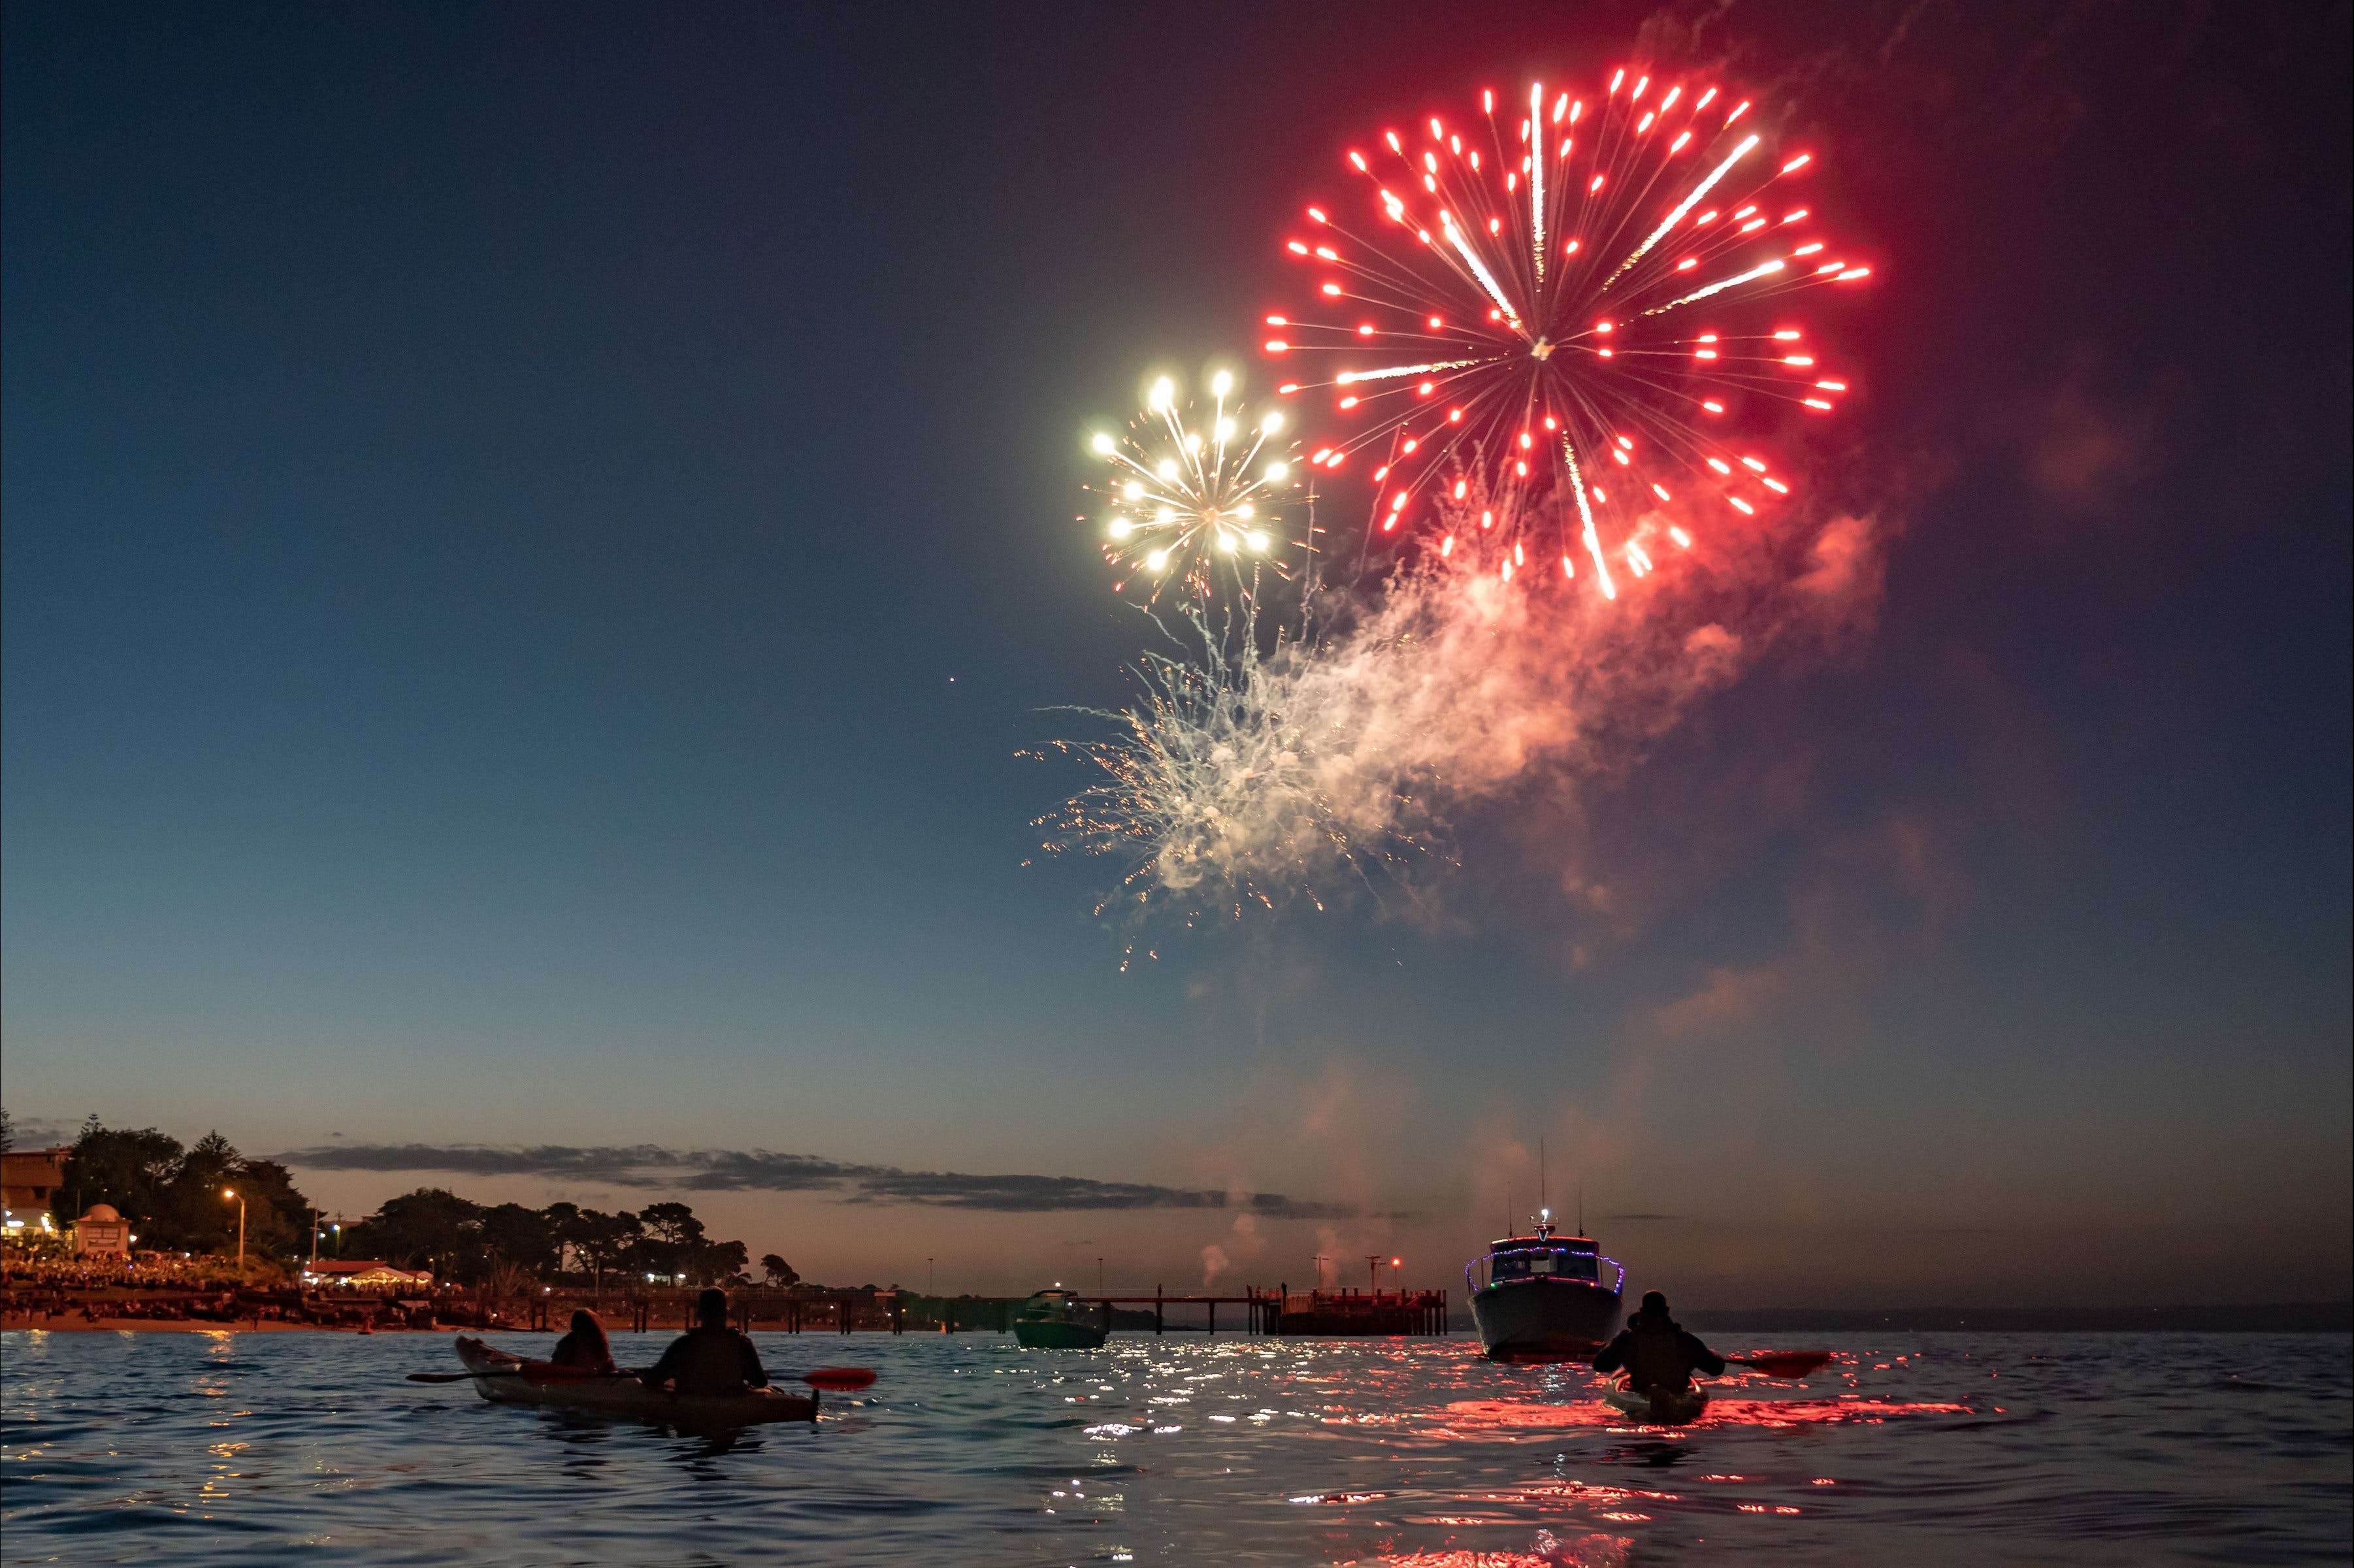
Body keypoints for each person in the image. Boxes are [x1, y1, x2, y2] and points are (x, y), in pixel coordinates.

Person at [1593, 1290, 1726, 1397]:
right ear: (1666, 1311)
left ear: (1643, 1311)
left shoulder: (1627, 1340)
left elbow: (1600, 1364)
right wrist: (1714, 1356)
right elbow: (1716, 1368)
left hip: (1641, 1394)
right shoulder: (1686, 1340)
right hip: (1677, 1395)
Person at [640, 1288, 770, 1397]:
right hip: (732, 1404)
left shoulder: (684, 1344)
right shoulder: (743, 1343)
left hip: (691, 1407)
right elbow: (760, 1382)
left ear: (700, 1315)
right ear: (725, 1313)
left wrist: (643, 1375)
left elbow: (654, 1379)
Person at [548, 1309, 617, 1373]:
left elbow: (556, 1364)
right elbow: (611, 1368)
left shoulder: (569, 1341)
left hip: (575, 1380)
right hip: (594, 1380)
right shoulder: (600, 1343)